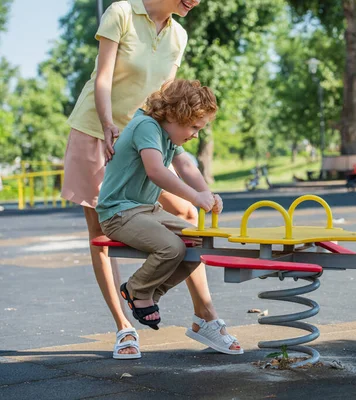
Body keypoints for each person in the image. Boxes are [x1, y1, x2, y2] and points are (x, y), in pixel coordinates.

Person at [61, 0, 241, 359]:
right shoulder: (122, 13)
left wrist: (201, 189)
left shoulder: (178, 35)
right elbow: (103, 76)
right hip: (99, 130)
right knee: (102, 233)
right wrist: (108, 123)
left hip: (151, 137)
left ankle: (204, 317)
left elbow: (167, 100)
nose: (197, 1)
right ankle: (124, 327)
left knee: (188, 218)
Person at [98, 79, 242, 355]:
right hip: (118, 211)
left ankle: (147, 293)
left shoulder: (167, 135)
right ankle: (138, 289)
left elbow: (185, 165)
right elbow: (156, 171)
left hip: (146, 209)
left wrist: (206, 194)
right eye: (194, 127)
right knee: (171, 247)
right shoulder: (147, 126)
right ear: (175, 116)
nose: (195, 134)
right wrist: (193, 197)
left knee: (199, 242)